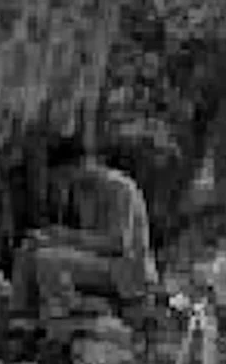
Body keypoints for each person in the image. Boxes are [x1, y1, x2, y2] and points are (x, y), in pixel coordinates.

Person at [15, 135, 157, 325]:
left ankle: (65, 319)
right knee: (28, 249)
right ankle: (20, 318)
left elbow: (117, 244)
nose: (64, 183)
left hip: (126, 270)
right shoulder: (83, 193)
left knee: (48, 259)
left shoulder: (120, 188)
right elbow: (87, 242)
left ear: (81, 165)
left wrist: (66, 237)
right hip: (102, 262)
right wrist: (52, 238)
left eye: (66, 176)